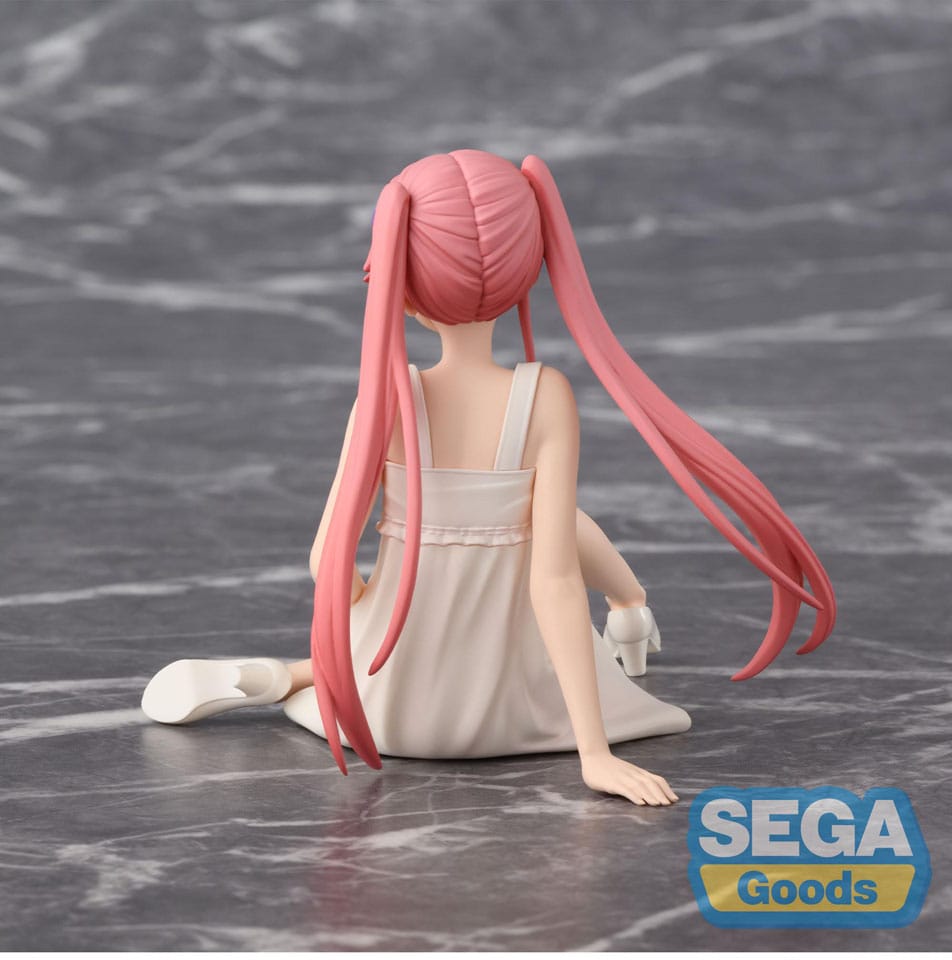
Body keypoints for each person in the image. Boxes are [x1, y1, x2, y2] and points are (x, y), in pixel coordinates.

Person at [141, 150, 836, 808]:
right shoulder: (544, 395)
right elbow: (555, 578)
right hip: (510, 715)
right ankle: (630, 608)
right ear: (527, 273)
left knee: (404, 605)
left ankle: (297, 676)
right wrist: (594, 753)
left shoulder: (387, 400)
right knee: (545, 524)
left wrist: (368, 624)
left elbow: (329, 561)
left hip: (383, 714)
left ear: (402, 288)